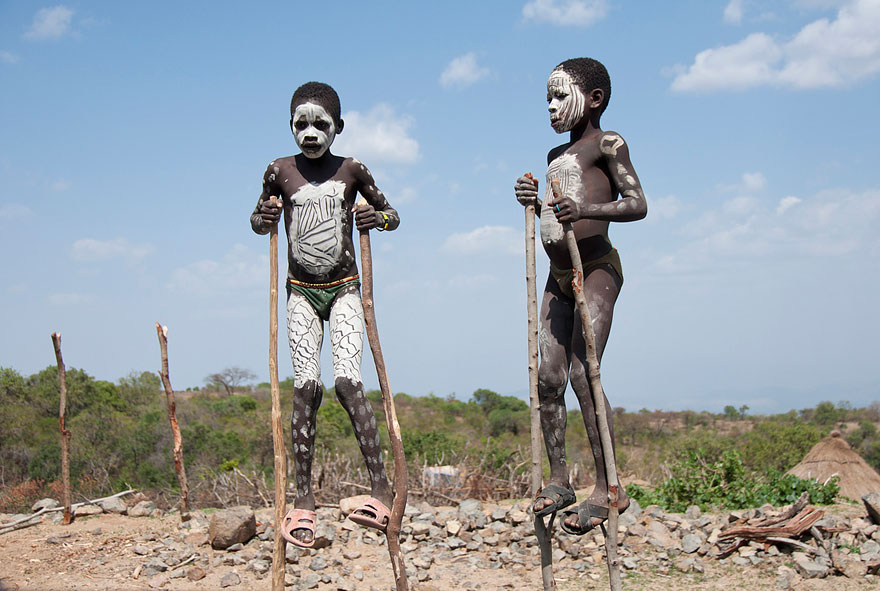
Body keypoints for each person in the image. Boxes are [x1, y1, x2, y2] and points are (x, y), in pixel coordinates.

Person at [251, 81, 399, 547]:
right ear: (290, 126)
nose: (310, 133)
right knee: (305, 389)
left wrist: (379, 220)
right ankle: (303, 501)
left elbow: (392, 212)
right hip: (300, 292)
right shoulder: (279, 171)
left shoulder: (353, 169)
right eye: (301, 124)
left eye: (321, 124)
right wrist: (266, 219)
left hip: (344, 289)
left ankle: (381, 491)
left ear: (339, 127)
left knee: (347, 383)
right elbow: (256, 220)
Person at [514, 58, 647, 535]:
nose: (550, 107)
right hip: (557, 271)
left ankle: (609, 487)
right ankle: (558, 480)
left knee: (582, 370)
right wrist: (533, 201)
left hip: (595, 270)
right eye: (545, 99)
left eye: (559, 96)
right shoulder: (556, 154)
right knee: (547, 378)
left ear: (594, 99)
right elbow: (554, 208)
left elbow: (637, 203)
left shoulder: (608, 144)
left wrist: (585, 208)